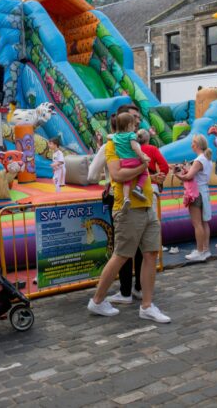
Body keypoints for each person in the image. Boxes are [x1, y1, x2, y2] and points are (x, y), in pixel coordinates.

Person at [88, 122, 170, 323]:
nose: (136, 127)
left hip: (146, 204)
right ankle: (97, 301)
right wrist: (144, 166)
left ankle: (147, 306)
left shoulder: (134, 144)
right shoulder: (111, 146)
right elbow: (118, 174)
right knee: (122, 255)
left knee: (150, 253)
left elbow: (136, 174)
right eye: (132, 121)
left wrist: (150, 175)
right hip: (128, 209)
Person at [174, 134, 213, 262]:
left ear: (196, 144)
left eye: (192, 143)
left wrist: (177, 174)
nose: (191, 145)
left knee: (197, 224)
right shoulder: (206, 159)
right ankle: (205, 250)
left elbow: (188, 177)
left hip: (196, 193)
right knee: (204, 222)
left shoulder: (199, 160)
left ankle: (200, 251)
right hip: (204, 192)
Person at [108, 112, 151, 211]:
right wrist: (143, 158)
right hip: (134, 160)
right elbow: (135, 148)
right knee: (144, 173)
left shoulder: (116, 136)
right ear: (128, 125)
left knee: (127, 181)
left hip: (124, 162)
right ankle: (138, 188)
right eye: (133, 125)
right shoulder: (131, 135)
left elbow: (109, 136)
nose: (134, 126)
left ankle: (126, 197)